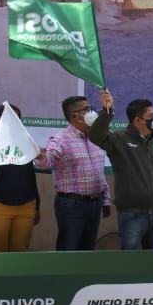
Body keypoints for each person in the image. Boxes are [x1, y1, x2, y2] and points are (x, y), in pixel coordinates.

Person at [89, 89, 153, 250]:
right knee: (131, 263)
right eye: (151, 117)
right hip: (132, 215)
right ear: (138, 121)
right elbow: (96, 136)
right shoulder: (119, 139)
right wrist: (106, 111)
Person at [35, 96, 112, 251]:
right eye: (87, 109)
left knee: (87, 250)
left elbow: (99, 172)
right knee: (69, 249)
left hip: (95, 203)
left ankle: (84, 276)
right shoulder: (61, 139)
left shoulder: (95, 137)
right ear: (75, 116)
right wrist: (41, 156)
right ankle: (64, 275)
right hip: (72, 205)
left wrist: (105, 200)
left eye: (91, 108)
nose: (92, 112)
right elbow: (46, 162)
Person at [0, 104, 40, 253]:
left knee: (20, 251)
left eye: (16, 119)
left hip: (26, 206)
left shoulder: (25, 144)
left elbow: (30, 176)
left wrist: (37, 205)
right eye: (9, 118)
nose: (13, 122)